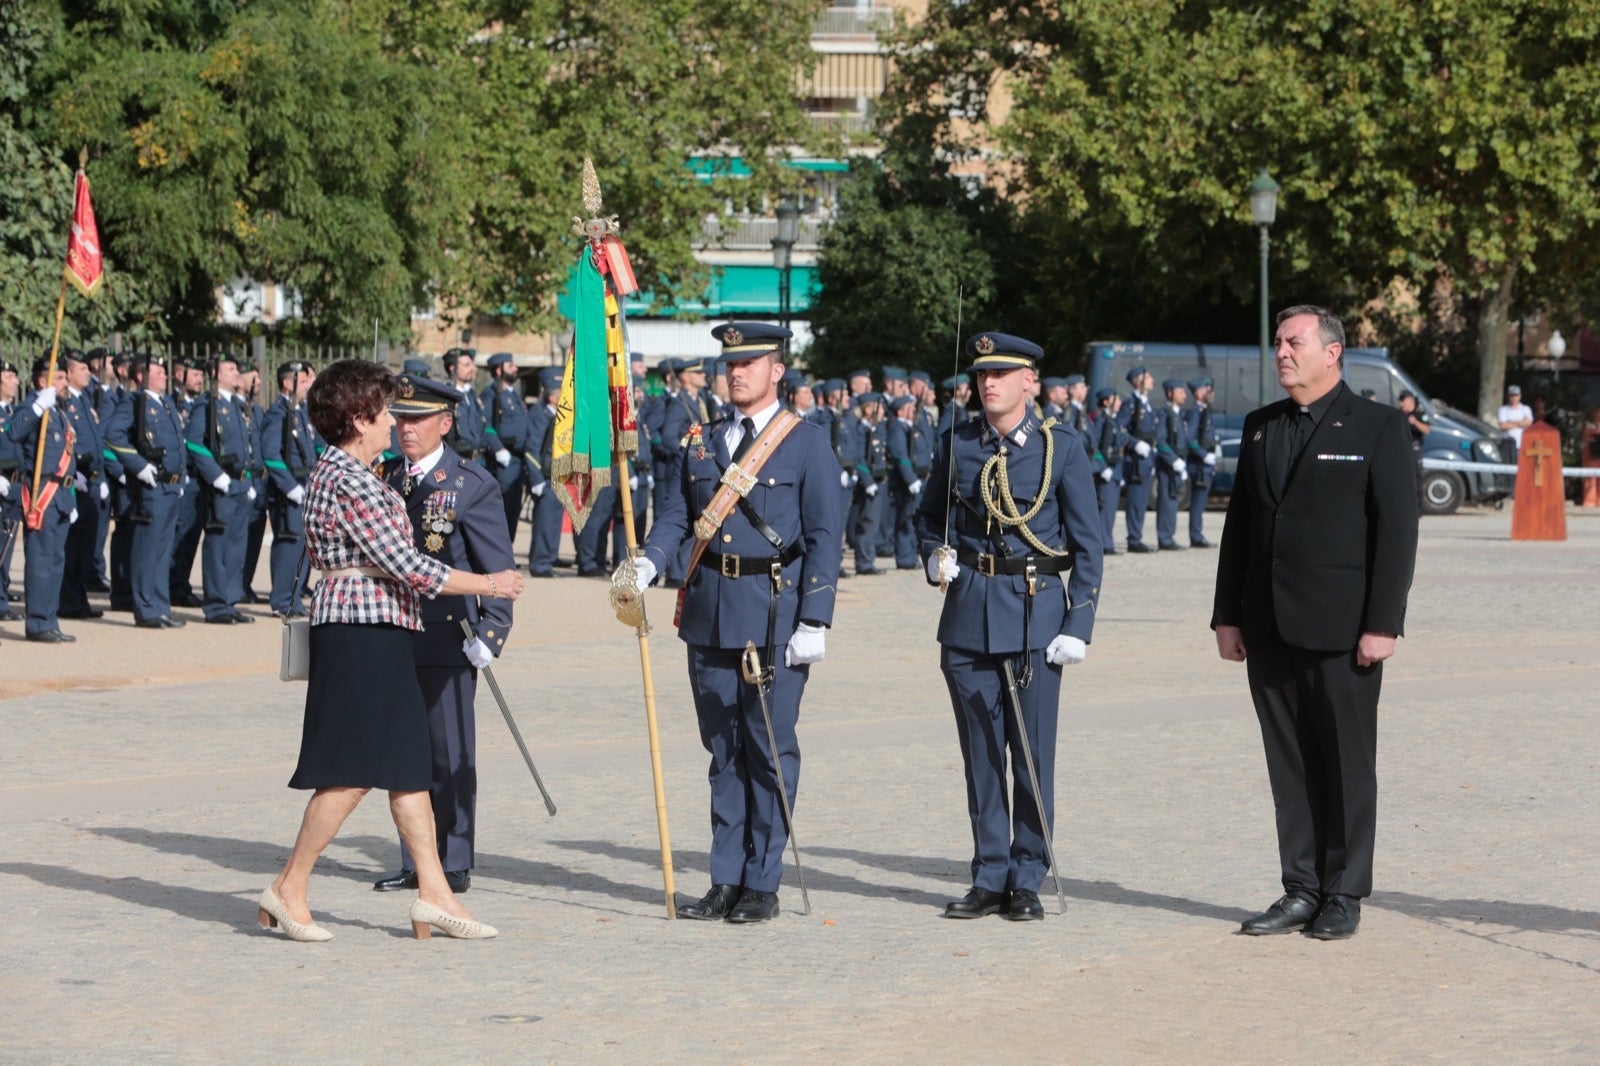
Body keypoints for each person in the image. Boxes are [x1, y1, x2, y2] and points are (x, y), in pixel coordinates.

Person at [259, 360, 524, 943]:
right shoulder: (347, 477)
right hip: (359, 632)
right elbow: (404, 563)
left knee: (408, 770)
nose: (393, 423)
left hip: (382, 628)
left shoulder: (360, 470)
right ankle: (289, 886)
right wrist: (489, 585)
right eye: (384, 413)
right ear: (358, 419)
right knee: (354, 773)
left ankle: (434, 892)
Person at [622, 321, 841, 925]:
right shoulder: (700, 441)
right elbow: (675, 516)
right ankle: (724, 877)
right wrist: (649, 562)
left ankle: (761, 881)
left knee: (767, 749)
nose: (736, 372)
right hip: (710, 611)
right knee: (722, 752)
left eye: (751, 362)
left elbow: (825, 537)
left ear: (777, 370)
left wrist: (815, 618)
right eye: (730, 363)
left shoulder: (805, 441)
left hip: (774, 614)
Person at [1212, 305, 1417, 941]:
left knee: (1346, 765)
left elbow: (1397, 535)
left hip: (1343, 630)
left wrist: (1382, 623)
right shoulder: (1259, 427)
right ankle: (1299, 887)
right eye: (1277, 343)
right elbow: (1240, 529)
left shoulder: (1378, 427)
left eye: (1293, 342)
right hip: (1268, 625)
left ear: (1332, 353)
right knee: (1290, 765)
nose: (1281, 352)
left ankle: (1344, 891)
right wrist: (1226, 615)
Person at [915, 331, 1103, 921]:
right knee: (980, 757)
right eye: (980, 375)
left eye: (1000, 374)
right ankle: (989, 873)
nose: (987, 384)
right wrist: (932, 555)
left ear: (1030, 382)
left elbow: (1090, 546)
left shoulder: (1060, 448)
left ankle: (1027, 874)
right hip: (969, 613)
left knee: (1031, 753)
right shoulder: (957, 444)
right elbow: (926, 519)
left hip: (1034, 616)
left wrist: (1079, 621)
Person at [370, 374, 516, 896]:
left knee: (449, 751)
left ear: (445, 424)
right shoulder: (384, 476)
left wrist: (493, 631)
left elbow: (496, 564)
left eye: (417, 419)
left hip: (446, 633)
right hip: (392, 631)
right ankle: (416, 857)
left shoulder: (471, 484)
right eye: (401, 418)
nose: (405, 428)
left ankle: (453, 858)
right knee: (403, 752)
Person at [105, 353, 190, 630]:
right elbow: (113, 436)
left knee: (163, 550)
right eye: (159, 372)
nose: (165, 376)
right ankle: (145, 608)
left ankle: (160, 606)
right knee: (147, 549)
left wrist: (181, 478)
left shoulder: (164, 404)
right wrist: (139, 466)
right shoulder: (134, 402)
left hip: (169, 486)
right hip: (150, 487)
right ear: (140, 376)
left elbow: (179, 443)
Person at [7, 353, 80, 643]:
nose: (64, 383)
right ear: (42, 381)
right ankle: (37, 623)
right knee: (40, 560)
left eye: (64, 377)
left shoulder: (59, 411)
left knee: (56, 560)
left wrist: (72, 496)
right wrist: (38, 405)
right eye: (59, 378)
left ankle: (50, 618)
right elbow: (14, 432)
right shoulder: (34, 406)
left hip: (61, 493)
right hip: (42, 492)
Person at [261, 361, 317, 619]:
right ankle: (283, 599)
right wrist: (291, 487)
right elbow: (271, 454)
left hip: (303, 486)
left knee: (301, 543)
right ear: (288, 382)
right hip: (288, 490)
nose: (308, 386)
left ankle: (293, 598)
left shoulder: (299, 411)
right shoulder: (279, 412)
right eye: (303, 381)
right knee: (289, 543)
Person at [59, 348, 111, 621]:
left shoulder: (84, 400)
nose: (87, 373)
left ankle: (79, 599)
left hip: (90, 483)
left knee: (86, 549)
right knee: (73, 547)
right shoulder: (67, 402)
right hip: (74, 482)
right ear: (68, 373)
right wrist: (75, 473)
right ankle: (68, 601)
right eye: (82, 369)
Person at [481, 353, 534, 538]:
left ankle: (507, 554)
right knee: (502, 511)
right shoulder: (492, 394)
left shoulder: (514, 395)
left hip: (518, 460)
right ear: (498, 369)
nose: (515, 368)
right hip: (504, 461)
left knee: (513, 510)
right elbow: (485, 424)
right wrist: (498, 449)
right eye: (510, 365)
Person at [1117, 365, 1159, 552]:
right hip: (1136, 460)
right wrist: (1135, 444)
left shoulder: (1146, 404)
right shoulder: (1131, 403)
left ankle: (1137, 536)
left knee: (1142, 501)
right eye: (1148, 376)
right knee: (1136, 500)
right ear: (1138, 381)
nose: (1151, 380)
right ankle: (1134, 539)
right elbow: (1119, 428)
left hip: (1146, 458)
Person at [1153, 379, 1190, 550]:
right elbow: (1160, 441)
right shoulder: (1165, 414)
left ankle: (1169, 535)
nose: (1184, 395)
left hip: (1177, 461)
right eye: (1180, 391)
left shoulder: (1177, 414)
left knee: (1173, 499)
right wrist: (1173, 460)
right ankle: (1165, 537)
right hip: (1168, 464)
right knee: (1167, 499)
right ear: (1170, 393)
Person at [1184, 377, 1219, 547]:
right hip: (1198, 465)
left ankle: (1197, 533)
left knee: (1201, 500)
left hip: (1205, 464)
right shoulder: (1195, 412)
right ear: (1198, 392)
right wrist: (1203, 455)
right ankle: (1195, 535)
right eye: (1206, 389)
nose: (1209, 391)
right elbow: (1190, 439)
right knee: (1198, 501)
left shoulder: (1205, 410)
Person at [1090, 388, 1125, 555]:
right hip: (1106, 471)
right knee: (1105, 510)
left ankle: (1107, 541)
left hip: (1115, 470)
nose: (1119, 403)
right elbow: (1095, 445)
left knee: (1110, 510)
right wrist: (1103, 468)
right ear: (1106, 402)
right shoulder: (1100, 421)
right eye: (1115, 399)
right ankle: (1104, 544)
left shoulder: (1113, 420)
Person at [1398, 389, 1431, 514]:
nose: (1401, 403)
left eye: (1403, 400)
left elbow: (1427, 430)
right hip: (1402, 450)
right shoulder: (1399, 414)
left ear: (1410, 400)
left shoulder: (1420, 414)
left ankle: (1418, 509)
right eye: (1400, 401)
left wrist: (1415, 422)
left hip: (1415, 450)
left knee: (1416, 480)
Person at [1497, 384, 1532, 450]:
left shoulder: (1526, 409)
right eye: (1511, 395)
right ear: (1507, 396)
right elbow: (1503, 426)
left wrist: (1511, 422)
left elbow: (1528, 423)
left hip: (1523, 444)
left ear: (1520, 396)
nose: (1514, 398)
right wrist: (1522, 423)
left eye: (1516, 395)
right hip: (1507, 444)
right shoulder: (1503, 409)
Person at [1581, 405, 1600, 508]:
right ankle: (1589, 501)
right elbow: (1583, 438)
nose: (1597, 414)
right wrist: (1593, 440)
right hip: (1589, 453)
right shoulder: (1587, 424)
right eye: (1596, 412)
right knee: (1590, 477)